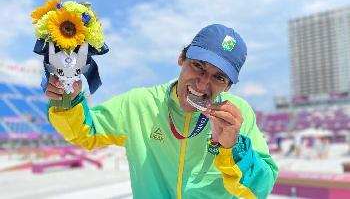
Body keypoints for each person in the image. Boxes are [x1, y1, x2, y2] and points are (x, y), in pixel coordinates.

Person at [45, 24, 279, 199]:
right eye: (198, 65)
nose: (201, 84)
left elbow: (259, 190)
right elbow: (86, 132)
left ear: (228, 86)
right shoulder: (138, 104)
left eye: (218, 77)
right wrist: (68, 99)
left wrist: (234, 146)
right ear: (181, 58)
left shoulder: (239, 116)